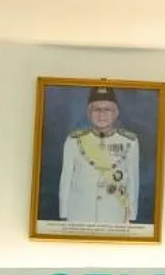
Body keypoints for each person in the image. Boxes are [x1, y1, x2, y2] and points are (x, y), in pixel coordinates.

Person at [58, 86, 140, 226]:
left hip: (115, 216)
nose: (102, 115)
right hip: (79, 215)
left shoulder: (129, 142)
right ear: (88, 113)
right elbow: (66, 179)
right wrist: (63, 214)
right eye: (96, 109)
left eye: (107, 109)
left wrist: (132, 216)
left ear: (116, 113)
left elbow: (133, 181)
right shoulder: (74, 141)